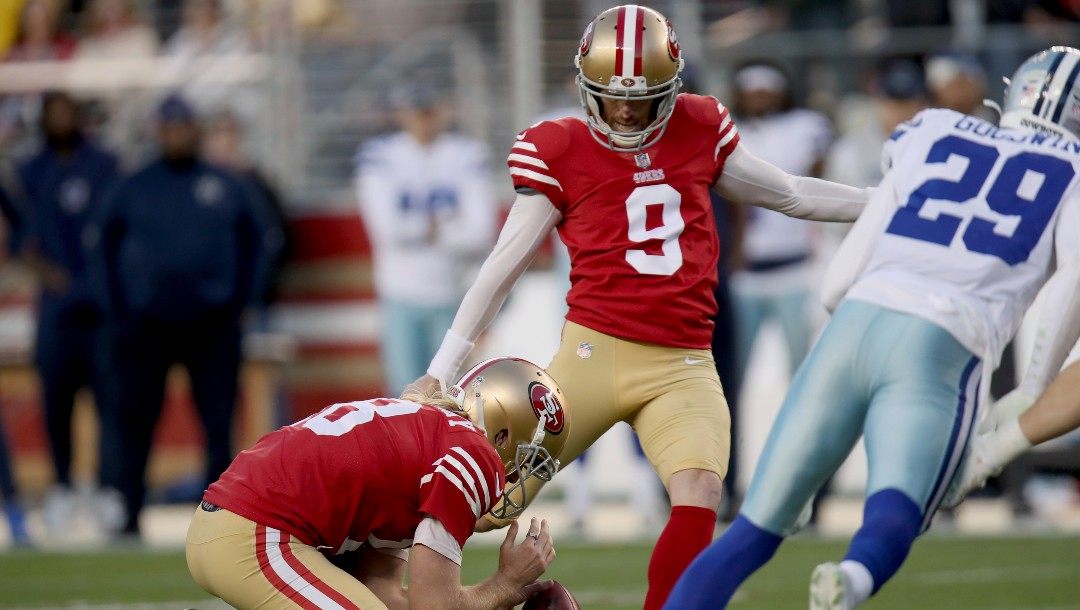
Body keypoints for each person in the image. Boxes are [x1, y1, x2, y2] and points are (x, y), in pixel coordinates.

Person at [413, 6, 870, 608]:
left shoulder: (700, 127)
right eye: (613, 97)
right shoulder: (560, 148)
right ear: (585, 86)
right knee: (482, 495)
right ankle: (372, 583)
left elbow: (789, 193)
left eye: (642, 98)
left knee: (702, 490)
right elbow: (503, 265)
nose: (626, 111)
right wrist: (441, 368)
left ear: (673, 89)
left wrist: (885, 202)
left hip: (683, 362)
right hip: (593, 353)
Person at [665, 45, 1080, 610]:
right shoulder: (1074, 169)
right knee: (899, 509)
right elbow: (1072, 282)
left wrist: (840, 337)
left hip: (854, 321)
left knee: (751, 531)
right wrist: (1034, 384)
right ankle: (852, 580)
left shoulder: (933, 128)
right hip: (945, 338)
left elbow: (850, 262)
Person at [187, 357, 565, 609]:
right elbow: (433, 606)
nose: (514, 478)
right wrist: (504, 584)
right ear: (502, 434)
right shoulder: (475, 454)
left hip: (227, 528)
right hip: (257, 534)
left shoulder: (425, 437)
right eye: (524, 461)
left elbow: (387, 596)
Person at [93, 93, 275, 536]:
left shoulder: (225, 182)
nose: (177, 134)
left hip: (211, 326)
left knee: (217, 424)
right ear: (158, 130)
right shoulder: (133, 184)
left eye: (184, 126)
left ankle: (216, 522)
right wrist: (117, 310)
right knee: (135, 421)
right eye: (169, 126)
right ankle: (128, 515)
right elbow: (101, 245)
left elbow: (265, 239)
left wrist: (248, 300)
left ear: (196, 129)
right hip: (145, 327)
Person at [16, 91, 122, 535]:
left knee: (110, 401)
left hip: (100, 307)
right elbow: (22, 239)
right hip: (56, 309)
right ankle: (61, 486)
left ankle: (105, 487)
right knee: (55, 401)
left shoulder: (104, 164)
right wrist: (45, 271)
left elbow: (118, 228)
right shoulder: (27, 170)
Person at [356, 86, 495, 396]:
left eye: (430, 112)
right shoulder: (381, 155)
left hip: (451, 292)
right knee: (403, 394)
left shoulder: (466, 153)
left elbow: (480, 231)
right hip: (400, 290)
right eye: (417, 113)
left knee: (448, 394)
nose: (424, 121)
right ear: (402, 114)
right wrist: (439, 224)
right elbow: (385, 229)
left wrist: (422, 230)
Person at [727, 60, 833, 382]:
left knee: (801, 367)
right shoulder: (732, 129)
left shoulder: (804, 125)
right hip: (746, 270)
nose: (759, 99)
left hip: (795, 266)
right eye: (752, 92)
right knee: (735, 367)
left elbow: (818, 173)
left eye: (765, 91)